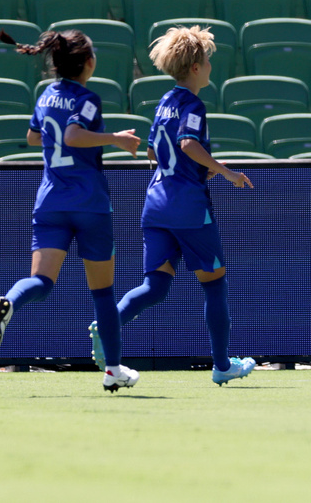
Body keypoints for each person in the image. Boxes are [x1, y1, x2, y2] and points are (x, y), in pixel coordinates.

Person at [90, 26, 255, 386]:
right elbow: (187, 144)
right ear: (195, 67)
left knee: (155, 287)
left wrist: (195, 171)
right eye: (208, 60)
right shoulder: (192, 104)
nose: (211, 66)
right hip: (188, 208)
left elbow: (153, 151)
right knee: (215, 285)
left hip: (155, 204)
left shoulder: (165, 101)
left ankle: (109, 324)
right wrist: (225, 172)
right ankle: (222, 365)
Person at [0, 29, 142, 392]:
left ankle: (10, 300)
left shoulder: (46, 95)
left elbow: (34, 137)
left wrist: (62, 137)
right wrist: (115, 139)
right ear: (88, 63)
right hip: (89, 204)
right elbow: (72, 136)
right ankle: (113, 368)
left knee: (40, 282)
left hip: (51, 201)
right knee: (102, 293)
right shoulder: (88, 99)